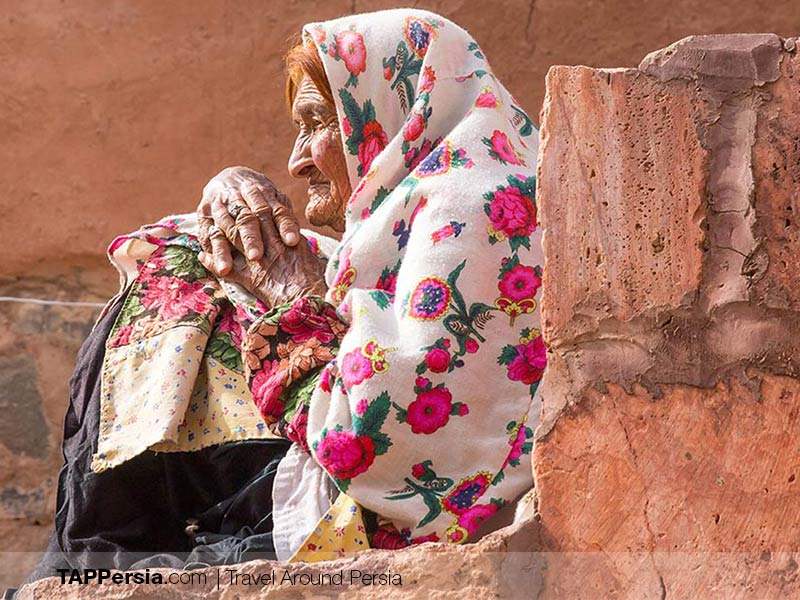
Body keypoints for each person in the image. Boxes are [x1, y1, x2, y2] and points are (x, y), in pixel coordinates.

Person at [29, 8, 545, 580]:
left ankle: (93, 551)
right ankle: (90, 554)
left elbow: (381, 440)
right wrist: (230, 189)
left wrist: (293, 300)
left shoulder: (469, 204)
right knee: (194, 243)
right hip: (355, 482)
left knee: (179, 264)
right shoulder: (440, 194)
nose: (297, 161)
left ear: (391, 109)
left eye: (318, 122)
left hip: (372, 515)